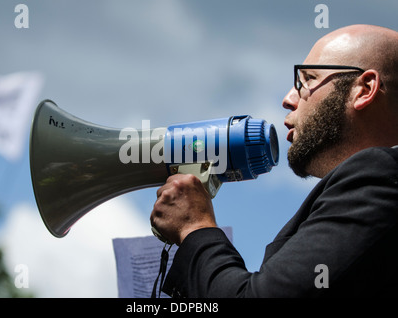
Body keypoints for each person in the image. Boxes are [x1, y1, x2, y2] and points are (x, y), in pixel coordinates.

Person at [150, 24, 398, 297]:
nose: (288, 99)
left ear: (364, 89)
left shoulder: (379, 176)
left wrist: (194, 227)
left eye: (307, 80)